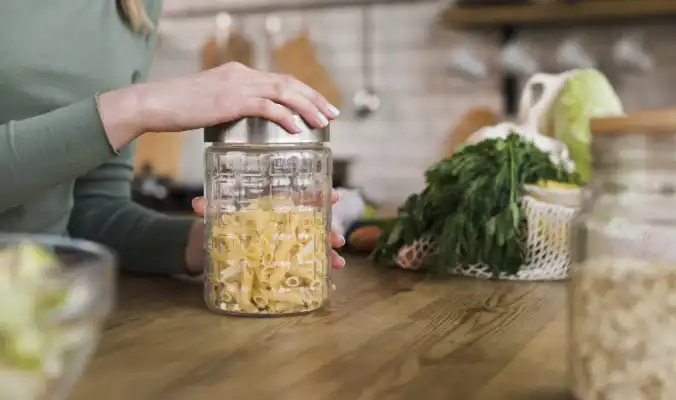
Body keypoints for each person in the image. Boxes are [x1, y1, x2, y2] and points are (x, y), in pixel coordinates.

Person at [0, 0, 345, 276]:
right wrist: (138, 106)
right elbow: (127, 112)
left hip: (38, 307)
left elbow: (92, 212)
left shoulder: (133, 5)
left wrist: (214, 242)